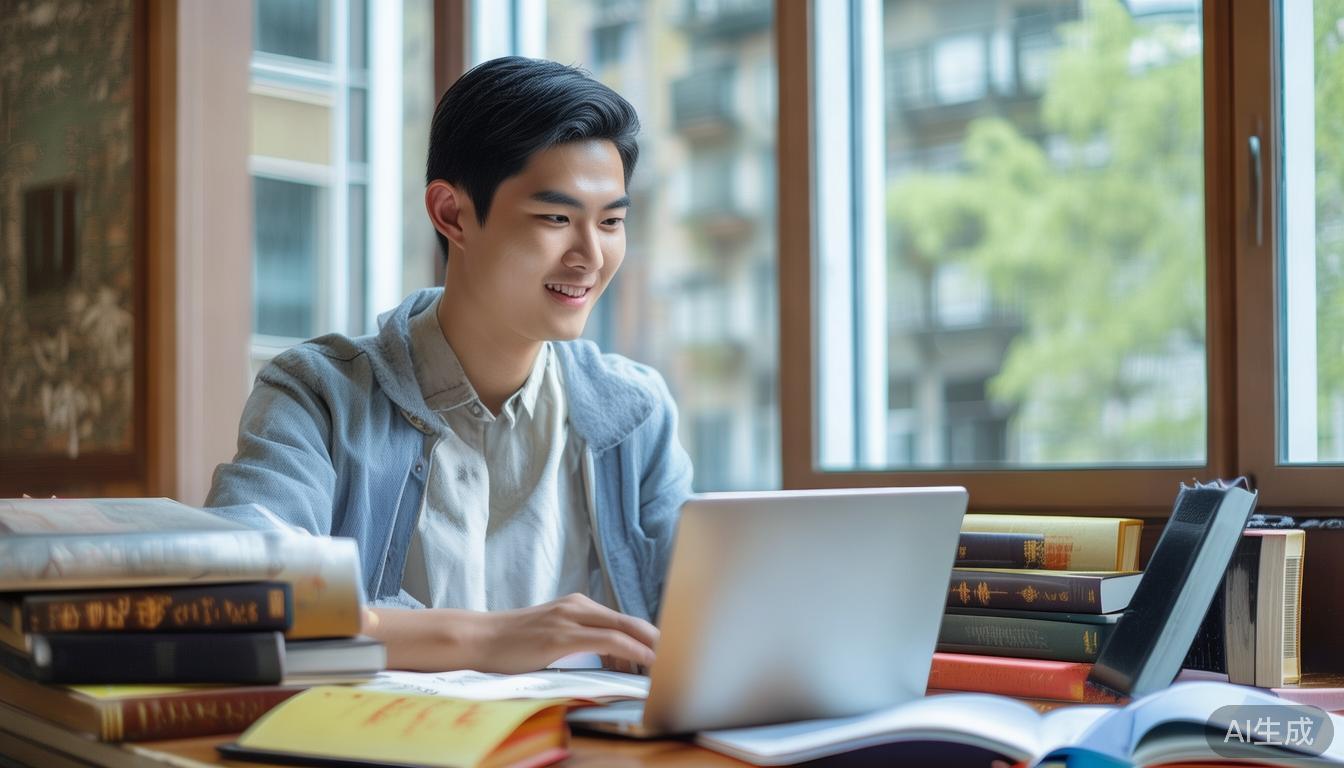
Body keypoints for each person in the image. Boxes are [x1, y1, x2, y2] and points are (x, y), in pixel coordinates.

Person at [206, 56, 693, 674]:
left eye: (613, 222)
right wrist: (487, 641)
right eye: (556, 219)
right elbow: (243, 590)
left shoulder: (635, 413)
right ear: (452, 214)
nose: (590, 257)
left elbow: (707, 615)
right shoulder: (318, 394)